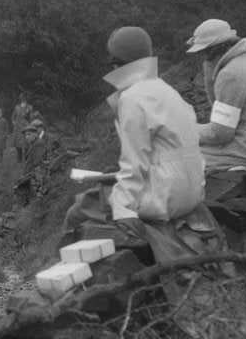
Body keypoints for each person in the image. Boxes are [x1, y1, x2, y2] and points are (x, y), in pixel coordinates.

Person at [60, 27, 205, 245]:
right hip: (193, 192)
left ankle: (72, 276)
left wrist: (123, 209)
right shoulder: (166, 89)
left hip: (165, 197)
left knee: (78, 211)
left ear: (114, 61)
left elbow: (135, 164)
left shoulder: (132, 98)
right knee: (108, 186)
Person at [186, 18, 246, 174]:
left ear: (210, 51)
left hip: (241, 155)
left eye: (202, 52)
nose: (201, 57)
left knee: (166, 162)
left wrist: (184, 129)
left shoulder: (232, 74)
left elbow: (219, 134)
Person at [15, 119, 51, 205]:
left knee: (32, 201)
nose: (27, 137)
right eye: (25, 135)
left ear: (35, 134)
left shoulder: (39, 144)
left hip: (35, 179)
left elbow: (37, 164)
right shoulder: (34, 144)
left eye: (29, 134)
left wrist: (25, 177)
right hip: (31, 177)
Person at [11, 94, 33, 163]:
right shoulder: (17, 107)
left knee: (27, 143)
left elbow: (31, 118)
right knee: (18, 144)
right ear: (20, 99)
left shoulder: (29, 107)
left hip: (26, 128)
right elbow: (13, 117)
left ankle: (27, 159)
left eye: (24, 99)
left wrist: (29, 125)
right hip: (18, 128)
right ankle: (19, 159)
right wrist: (14, 123)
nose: (23, 100)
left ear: (26, 99)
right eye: (21, 99)